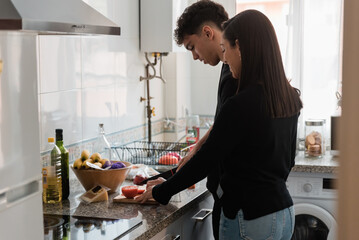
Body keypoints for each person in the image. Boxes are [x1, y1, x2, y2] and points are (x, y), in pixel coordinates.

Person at [138, 9, 303, 240]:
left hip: (248, 217)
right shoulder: (289, 96)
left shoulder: (240, 104)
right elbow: (289, 161)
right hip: (283, 213)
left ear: (240, 47)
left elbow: (206, 161)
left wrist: (161, 191)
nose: (224, 58)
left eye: (225, 49)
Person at [149, 1, 238, 239]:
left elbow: (215, 151)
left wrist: (163, 190)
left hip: (238, 208)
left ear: (208, 33)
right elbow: (223, 122)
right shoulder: (230, 67)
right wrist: (196, 147)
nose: (195, 56)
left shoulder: (235, 72)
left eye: (192, 47)